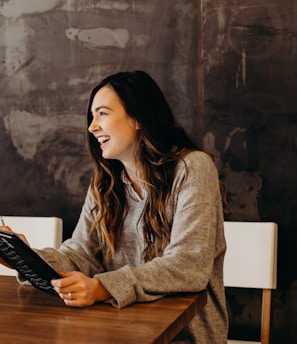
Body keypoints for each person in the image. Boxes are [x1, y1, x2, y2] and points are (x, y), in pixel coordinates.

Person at [0, 71, 228, 343]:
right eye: (92, 116)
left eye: (103, 113)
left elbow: (188, 265)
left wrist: (102, 288)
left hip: (183, 336)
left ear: (138, 118)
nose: (92, 127)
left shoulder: (193, 168)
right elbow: (81, 255)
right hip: (120, 330)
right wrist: (27, 260)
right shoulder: (105, 183)